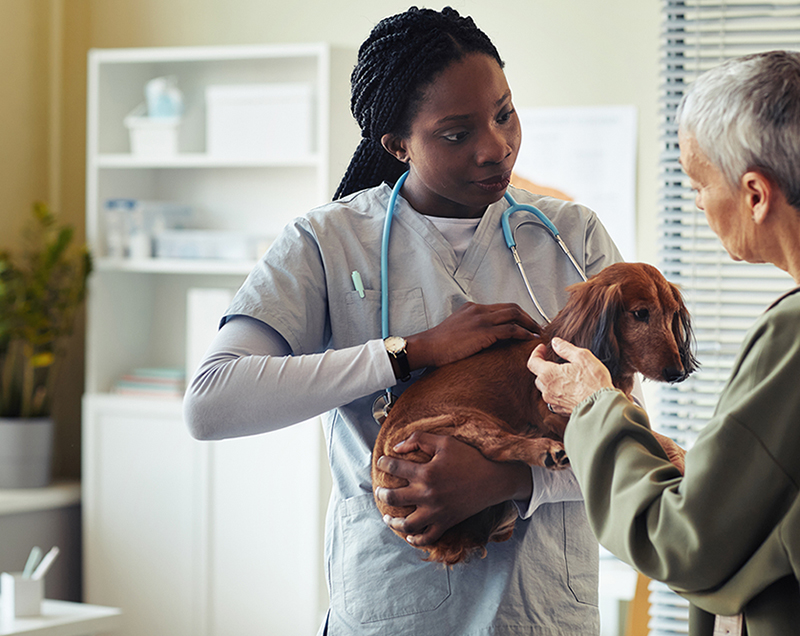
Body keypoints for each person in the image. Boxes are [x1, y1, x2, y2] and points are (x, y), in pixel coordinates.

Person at [184, 7, 622, 635]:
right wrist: (408, 352)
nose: (494, 147)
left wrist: (510, 479)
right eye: (455, 133)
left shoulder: (573, 238)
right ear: (396, 144)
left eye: (504, 113)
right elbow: (212, 403)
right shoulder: (329, 241)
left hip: (540, 613)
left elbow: (624, 437)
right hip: (396, 611)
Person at [528, 50, 800, 636]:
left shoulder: (793, 336)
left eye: (700, 184)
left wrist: (595, 405)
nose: (697, 203)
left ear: (755, 193)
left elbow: (682, 542)